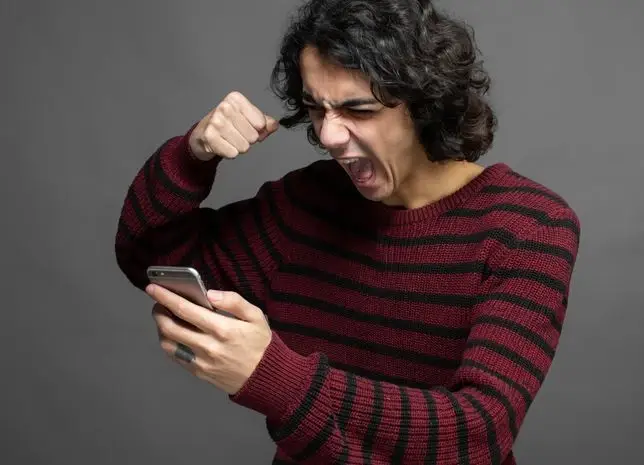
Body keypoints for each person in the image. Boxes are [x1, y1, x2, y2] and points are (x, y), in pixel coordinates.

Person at [114, 0, 581, 463]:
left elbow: (477, 434)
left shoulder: (529, 226)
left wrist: (271, 376)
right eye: (316, 108)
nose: (329, 136)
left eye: (358, 110)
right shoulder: (306, 203)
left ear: (426, 104)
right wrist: (192, 155)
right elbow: (148, 256)